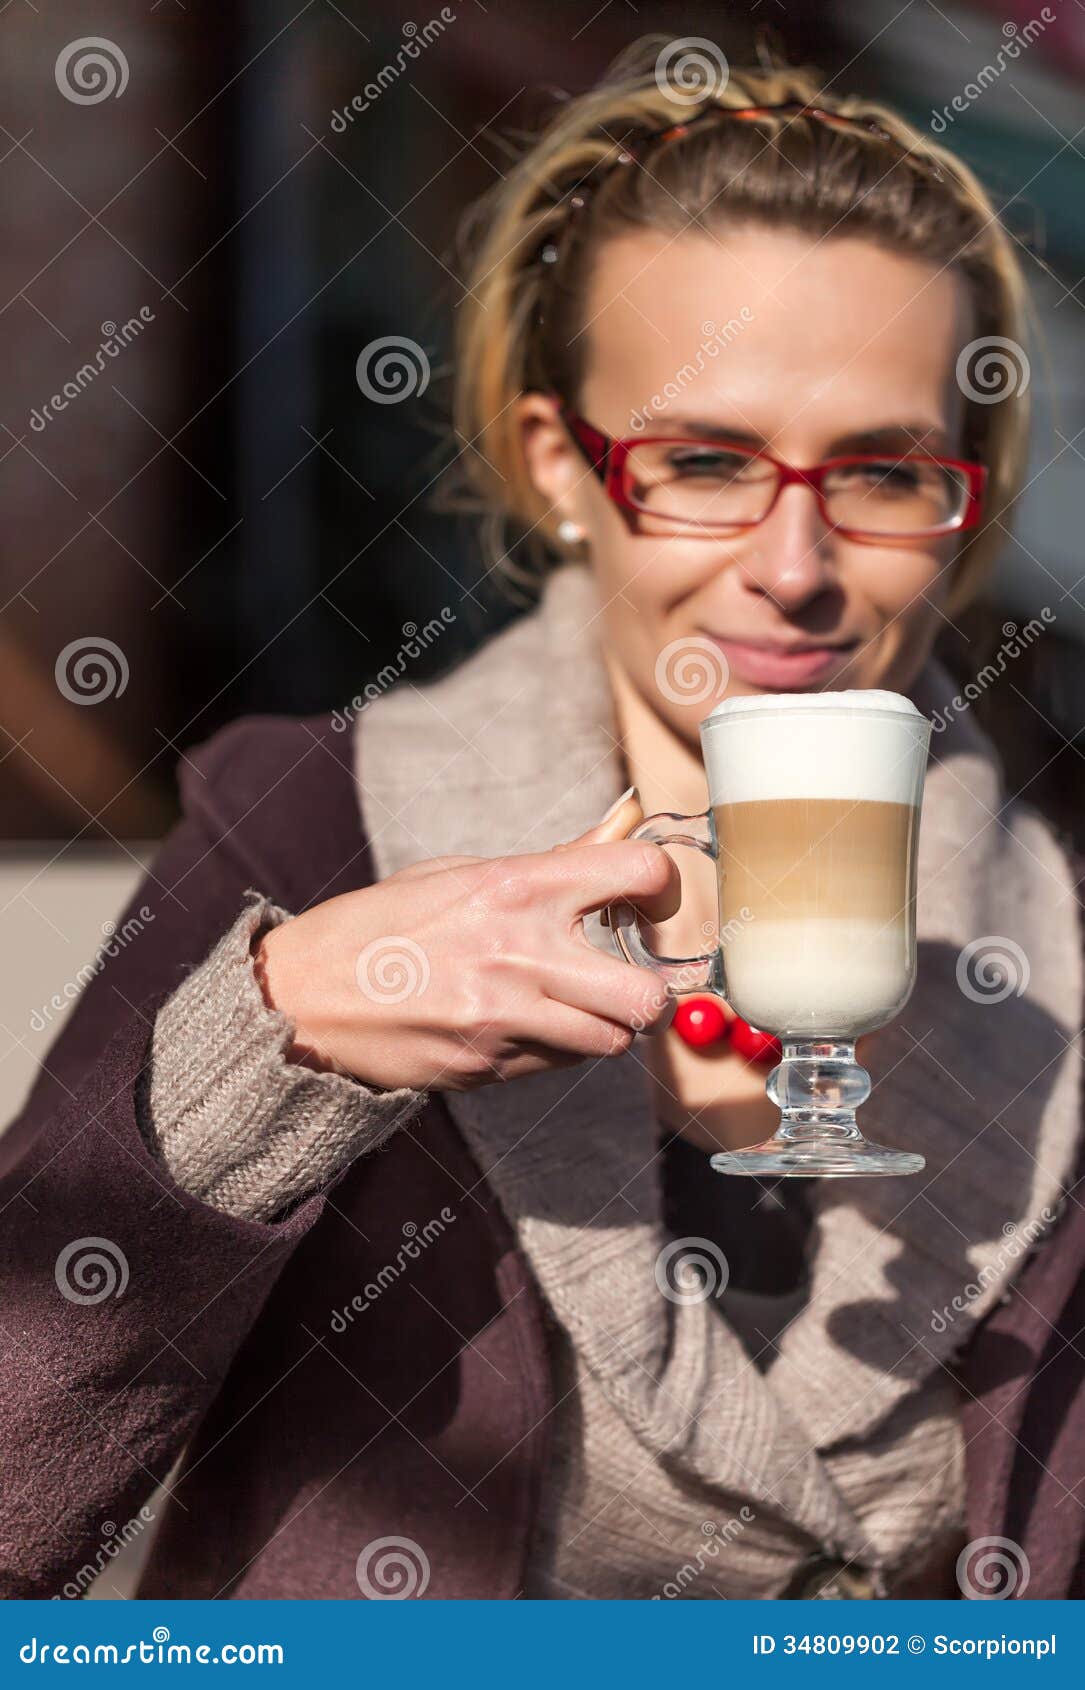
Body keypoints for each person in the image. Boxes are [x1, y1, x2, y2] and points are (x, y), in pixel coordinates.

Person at [2, 48, 1082, 1603]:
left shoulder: (1057, 969)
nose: (793, 562)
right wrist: (270, 1047)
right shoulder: (311, 826)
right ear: (563, 466)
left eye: (879, 471)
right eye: (701, 462)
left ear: (961, 495)